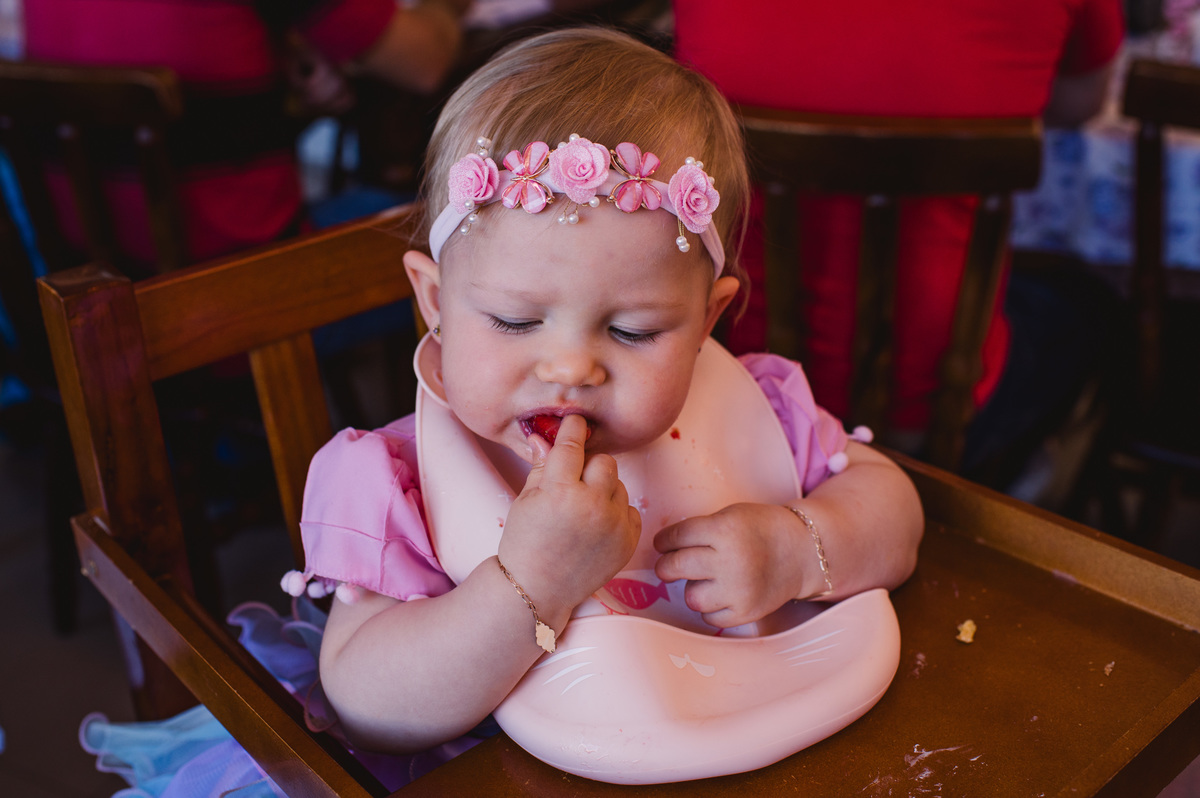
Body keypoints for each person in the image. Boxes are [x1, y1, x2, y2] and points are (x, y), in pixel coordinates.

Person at [78, 26, 924, 792]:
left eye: (633, 331)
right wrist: (530, 584)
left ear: (708, 321)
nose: (570, 366)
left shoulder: (752, 406)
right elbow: (369, 702)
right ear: (435, 299)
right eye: (515, 320)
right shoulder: (394, 481)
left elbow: (892, 507)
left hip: (755, 741)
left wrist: (800, 548)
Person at [672, 0, 1125, 461]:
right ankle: (1011, 489)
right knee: (1092, 303)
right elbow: (1079, 102)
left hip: (734, 376)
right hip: (939, 406)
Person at [21, 0, 473, 272]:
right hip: (232, 289)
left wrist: (284, 75)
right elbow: (425, 60)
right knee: (460, 232)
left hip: (93, 291)